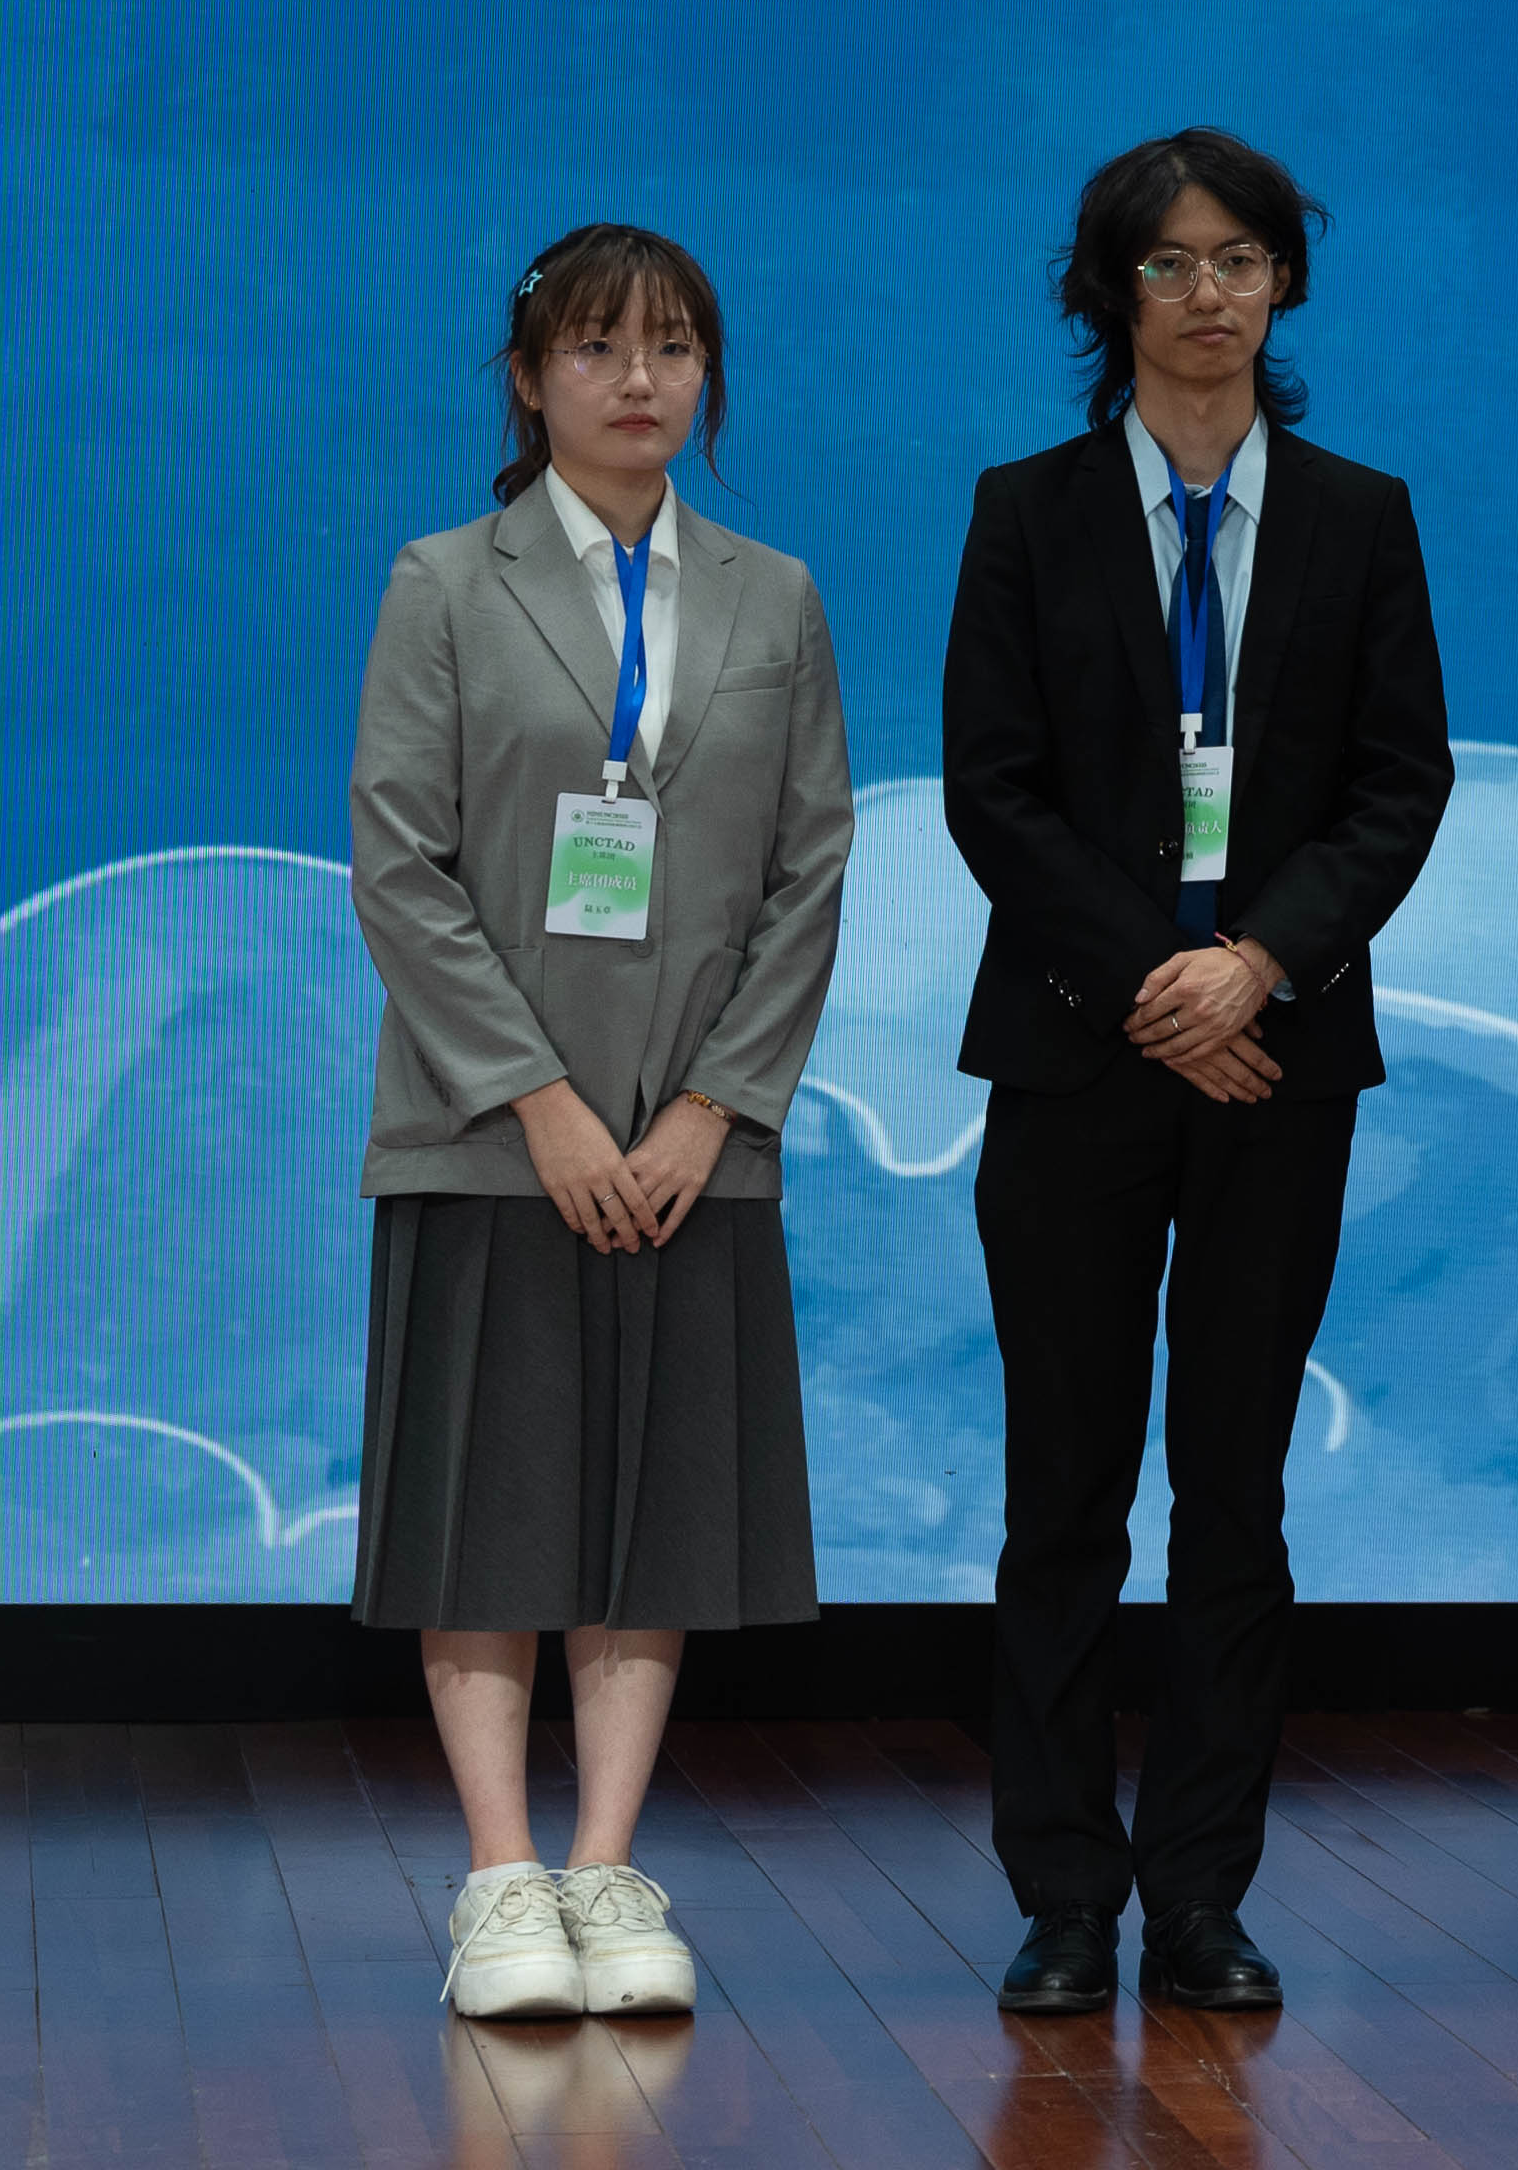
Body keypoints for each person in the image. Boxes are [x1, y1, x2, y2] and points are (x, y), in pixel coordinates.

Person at [942, 130, 1453, 2017]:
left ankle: (1205, 1898)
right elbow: (992, 788)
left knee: (1236, 1494)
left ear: (1284, 281)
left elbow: (1400, 783)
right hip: (1075, 1062)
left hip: (1278, 1065)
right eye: (1169, 263)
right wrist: (1157, 986)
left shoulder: (1361, 515)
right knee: (1063, 1493)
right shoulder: (1026, 510)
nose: (1210, 291)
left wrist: (1256, 968)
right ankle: (1065, 1894)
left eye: (1241, 257)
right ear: (1111, 293)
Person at [347, 225, 848, 2021]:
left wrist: (716, 1106)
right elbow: (399, 865)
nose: (640, 380)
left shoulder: (774, 597)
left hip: (695, 1139)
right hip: (493, 1125)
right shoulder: (444, 582)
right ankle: (500, 1876)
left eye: (674, 347)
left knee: (657, 1509)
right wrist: (542, 1103)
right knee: (485, 1502)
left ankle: (609, 1864)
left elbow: (809, 871)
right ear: (529, 376)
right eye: (598, 348)